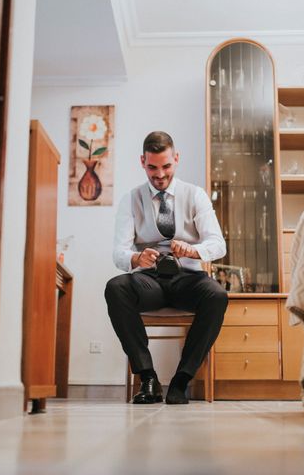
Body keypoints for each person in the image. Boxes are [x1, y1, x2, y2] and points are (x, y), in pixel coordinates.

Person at [104, 131, 228, 404]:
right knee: (116, 288)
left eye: (166, 166)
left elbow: (218, 244)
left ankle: (182, 379)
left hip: (188, 278)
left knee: (217, 296)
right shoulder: (131, 199)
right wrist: (136, 259)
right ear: (142, 162)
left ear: (176, 159)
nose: (159, 175)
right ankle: (147, 378)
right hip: (149, 281)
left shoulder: (195, 195)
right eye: (152, 167)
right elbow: (118, 252)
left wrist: (193, 250)